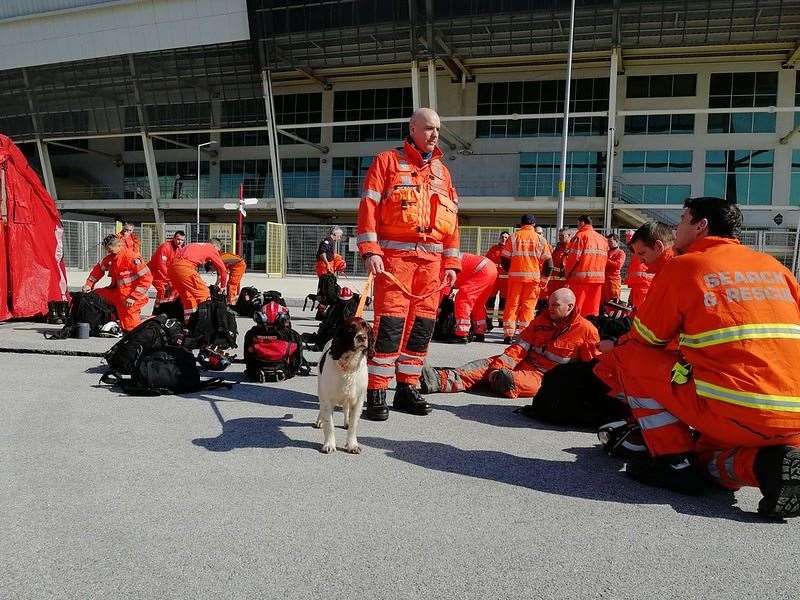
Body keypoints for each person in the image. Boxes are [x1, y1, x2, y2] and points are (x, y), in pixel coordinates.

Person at [592, 197, 800, 518]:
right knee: (707, 458)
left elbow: (647, 340)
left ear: (701, 225)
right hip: (792, 419)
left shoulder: (686, 266)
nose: (678, 227)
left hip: (734, 410)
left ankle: (672, 459)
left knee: (630, 355)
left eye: (683, 219)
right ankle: (768, 467)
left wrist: (608, 353)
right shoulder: (777, 269)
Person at [357, 107, 461, 421]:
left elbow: (452, 223)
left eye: (438, 130)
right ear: (412, 128)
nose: (434, 135)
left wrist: (452, 265)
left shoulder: (443, 172)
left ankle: (407, 388)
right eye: (428, 128)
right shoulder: (386, 161)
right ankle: (376, 390)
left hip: (431, 265)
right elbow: (368, 208)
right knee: (390, 324)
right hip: (395, 261)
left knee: (422, 327)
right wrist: (371, 250)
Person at [421, 288, 599, 398]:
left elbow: (593, 368)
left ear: (570, 307)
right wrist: (497, 366)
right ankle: (436, 381)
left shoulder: (586, 330)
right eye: (550, 304)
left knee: (508, 380)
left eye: (556, 305)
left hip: (544, 378)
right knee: (481, 367)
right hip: (523, 363)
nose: (551, 308)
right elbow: (519, 348)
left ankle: (495, 381)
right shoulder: (541, 320)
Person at [83, 234, 152, 332]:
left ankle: (151, 322)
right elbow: (98, 269)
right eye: (107, 250)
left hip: (133, 297)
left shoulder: (132, 258)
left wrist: (133, 297)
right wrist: (89, 284)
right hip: (118, 293)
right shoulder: (111, 257)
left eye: (110, 250)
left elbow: (147, 278)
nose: (108, 252)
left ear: (119, 246)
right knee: (95, 295)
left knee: (130, 328)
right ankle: (112, 318)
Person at [501, 215, 553, 343]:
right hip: (533, 280)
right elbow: (549, 263)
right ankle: (524, 335)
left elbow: (504, 259)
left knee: (512, 305)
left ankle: (508, 334)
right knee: (528, 307)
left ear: (521, 224)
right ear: (534, 224)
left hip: (515, 279)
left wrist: (511, 271)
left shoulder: (513, 237)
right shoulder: (540, 239)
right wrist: (545, 279)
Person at [167, 239, 228, 323]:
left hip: (172, 269)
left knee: (188, 298)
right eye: (218, 251)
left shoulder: (192, 244)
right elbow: (223, 270)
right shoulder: (211, 248)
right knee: (204, 295)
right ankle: (204, 325)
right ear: (215, 246)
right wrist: (223, 286)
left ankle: (188, 324)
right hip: (185, 268)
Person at [444, 253, 498, 343]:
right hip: (490, 268)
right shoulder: (449, 258)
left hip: (481, 269)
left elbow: (444, 291)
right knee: (478, 303)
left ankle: (461, 334)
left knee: (462, 298)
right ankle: (479, 332)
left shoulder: (443, 265)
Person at [564, 215, 608, 317]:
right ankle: (590, 328)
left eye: (578, 224)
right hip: (598, 279)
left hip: (581, 279)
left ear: (582, 223)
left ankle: (576, 329)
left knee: (578, 307)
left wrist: (567, 275)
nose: (577, 226)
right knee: (593, 308)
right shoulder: (602, 239)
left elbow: (573, 258)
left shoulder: (581, 236)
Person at [315, 226, 346, 319]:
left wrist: (338, 268)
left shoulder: (331, 242)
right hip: (325, 270)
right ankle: (328, 314)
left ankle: (320, 314)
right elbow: (322, 253)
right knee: (330, 294)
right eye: (339, 236)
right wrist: (327, 264)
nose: (340, 238)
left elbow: (332, 256)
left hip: (327, 269)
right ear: (335, 234)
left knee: (325, 293)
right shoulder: (327, 241)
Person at [148, 230, 185, 308]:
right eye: (178, 239)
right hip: (155, 272)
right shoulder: (165, 247)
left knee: (175, 289)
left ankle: (168, 307)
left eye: (182, 240)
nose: (180, 242)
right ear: (174, 238)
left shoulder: (179, 249)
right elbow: (161, 265)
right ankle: (158, 309)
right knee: (162, 290)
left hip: (165, 274)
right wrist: (170, 278)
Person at [485, 231, 510, 328]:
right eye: (502, 237)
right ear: (499, 238)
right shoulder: (493, 249)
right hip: (494, 279)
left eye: (506, 237)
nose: (504, 239)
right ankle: (488, 320)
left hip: (505, 280)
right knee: (490, 300)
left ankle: (501, 321)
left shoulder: (510, 250)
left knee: (503, 301)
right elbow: (487, 261)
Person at [624, 230, 653, 309]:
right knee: (635, 308)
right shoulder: (637, 252)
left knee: (640, 309)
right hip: (637, 284)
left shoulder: (641, 251)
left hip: (642, 285)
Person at [601, 233, 626, 305]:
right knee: (603, 302)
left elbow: (618, 265)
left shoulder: (621, 253)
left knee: (613, 302)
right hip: (604, 281)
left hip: (613, 281)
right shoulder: (607, 252)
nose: (609, 244)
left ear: (617, 241)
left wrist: (606, 260)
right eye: (608, 242)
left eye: (611, 242)